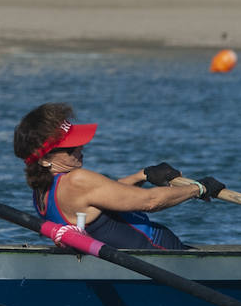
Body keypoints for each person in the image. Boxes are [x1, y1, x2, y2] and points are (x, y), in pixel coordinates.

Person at [13, 103, 218, 251]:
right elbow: (151, 201)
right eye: (71, 148)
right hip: (163, 258)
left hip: (145, 261)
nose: (81, 148)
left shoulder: (43, 191)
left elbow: (104, 195)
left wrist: (143, 175)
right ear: (44, 160)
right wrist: (198, 188)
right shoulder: (76, 180)